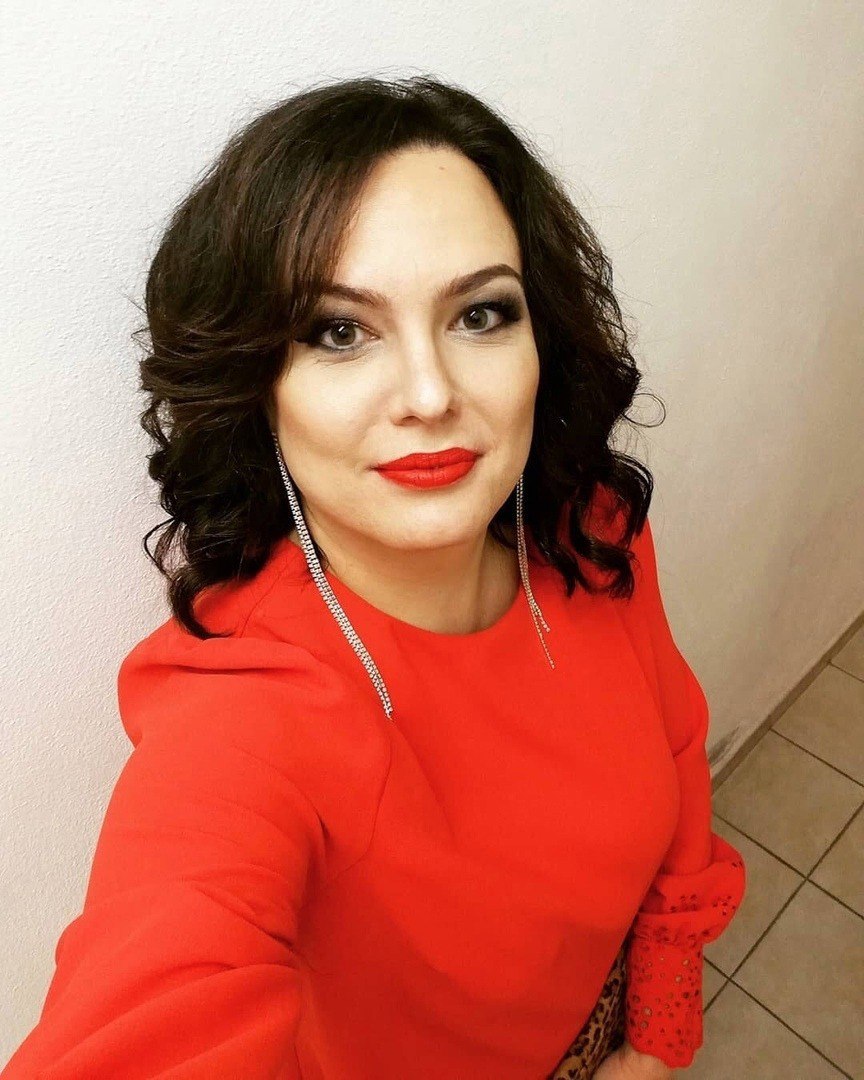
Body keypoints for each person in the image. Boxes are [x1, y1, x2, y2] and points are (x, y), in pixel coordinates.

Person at [3, 74, 746, 1079]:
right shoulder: (244, 714)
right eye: (338, 331)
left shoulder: (593, 531)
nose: (431, 394)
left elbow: (677, 750)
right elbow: (158, 997)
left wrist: (658, 1031)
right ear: (256, 383)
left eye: (481, 313)